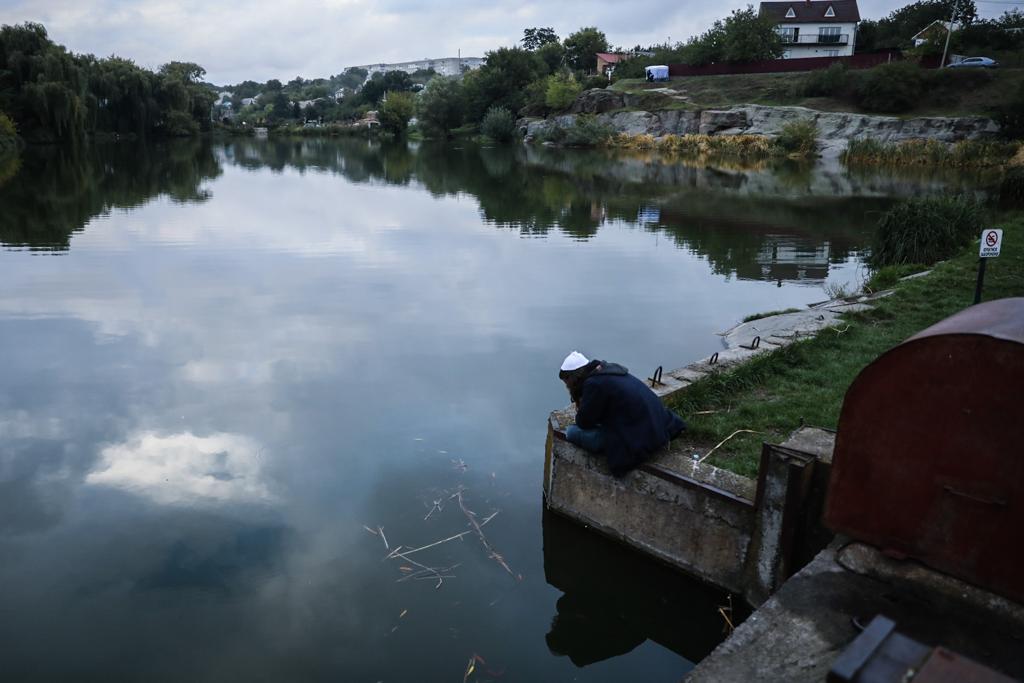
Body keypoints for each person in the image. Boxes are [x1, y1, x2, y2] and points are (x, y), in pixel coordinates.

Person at [558, 351, 686, 477]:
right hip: (657, 427)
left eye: (566, 382)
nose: (567, 386)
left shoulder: (594, 384)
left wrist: (582, 404)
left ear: (572, 378)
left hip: (638, 439)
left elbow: (583, 422)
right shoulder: (609, 371)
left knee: (571, 432)